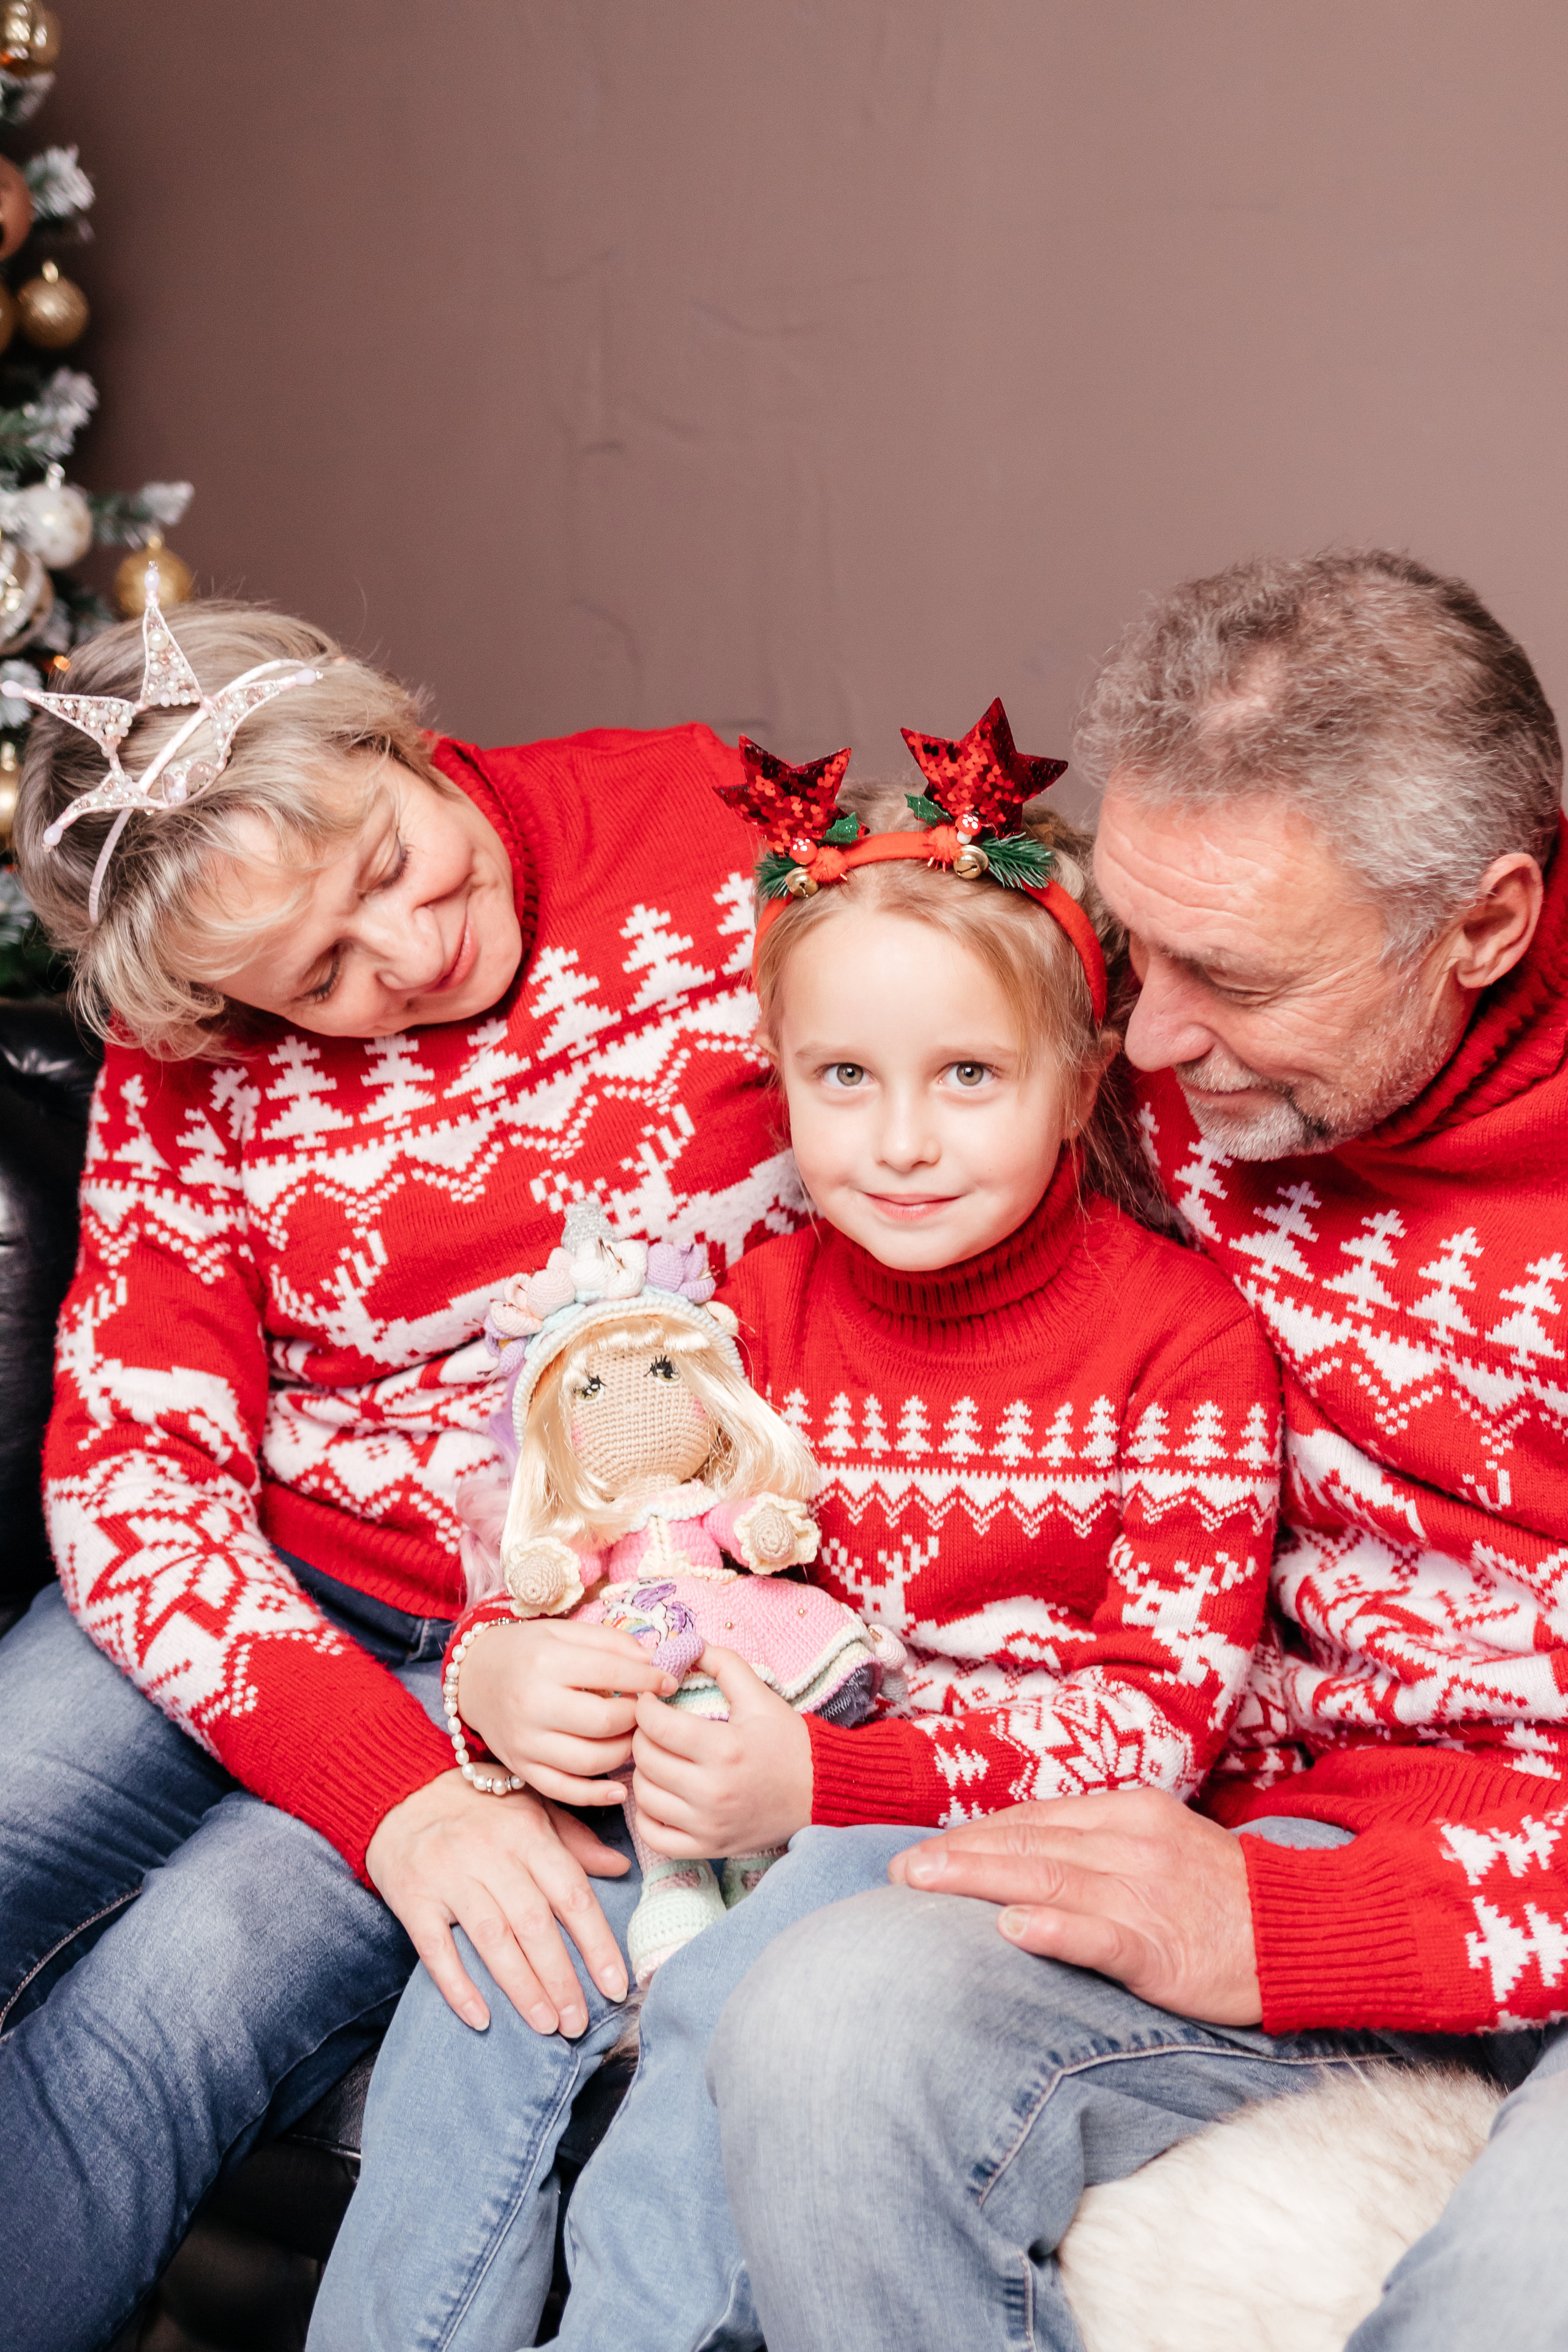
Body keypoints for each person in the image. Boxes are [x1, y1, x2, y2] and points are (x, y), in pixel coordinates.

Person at [309, 705, 1283, 2351]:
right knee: (489, 1962)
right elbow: (592, 1523)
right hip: (726, 1769)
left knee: (730, 1991)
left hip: (955, 1820)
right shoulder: (747, 1307)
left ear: (1081, 1078)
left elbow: (1160, 1723)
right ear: (783, 1078)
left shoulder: (1181, 1342)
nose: (899, 1142)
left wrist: (830, 1784)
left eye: (967, 1077)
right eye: (845, 1080)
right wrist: (503, 1668)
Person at [709, 551, 1568, 2352]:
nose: (1150, 1036)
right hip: (1261, 1812)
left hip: (1476, 1891)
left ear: (1482, 925)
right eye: (1132, 942)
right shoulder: (1159, 1075)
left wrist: (1323, 1933)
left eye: (1233, 975)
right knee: (826, 2021)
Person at [0, 580, 806, 2352]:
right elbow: (133, 1474)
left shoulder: (706, 831)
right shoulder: (188, 1058)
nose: (409, 958)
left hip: (557, 1632)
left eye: (386, 865)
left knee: (178, 2000)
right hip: (262, 1585)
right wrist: (387, 1790)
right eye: (317, 982)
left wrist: (496, 1729)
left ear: (381, 732)